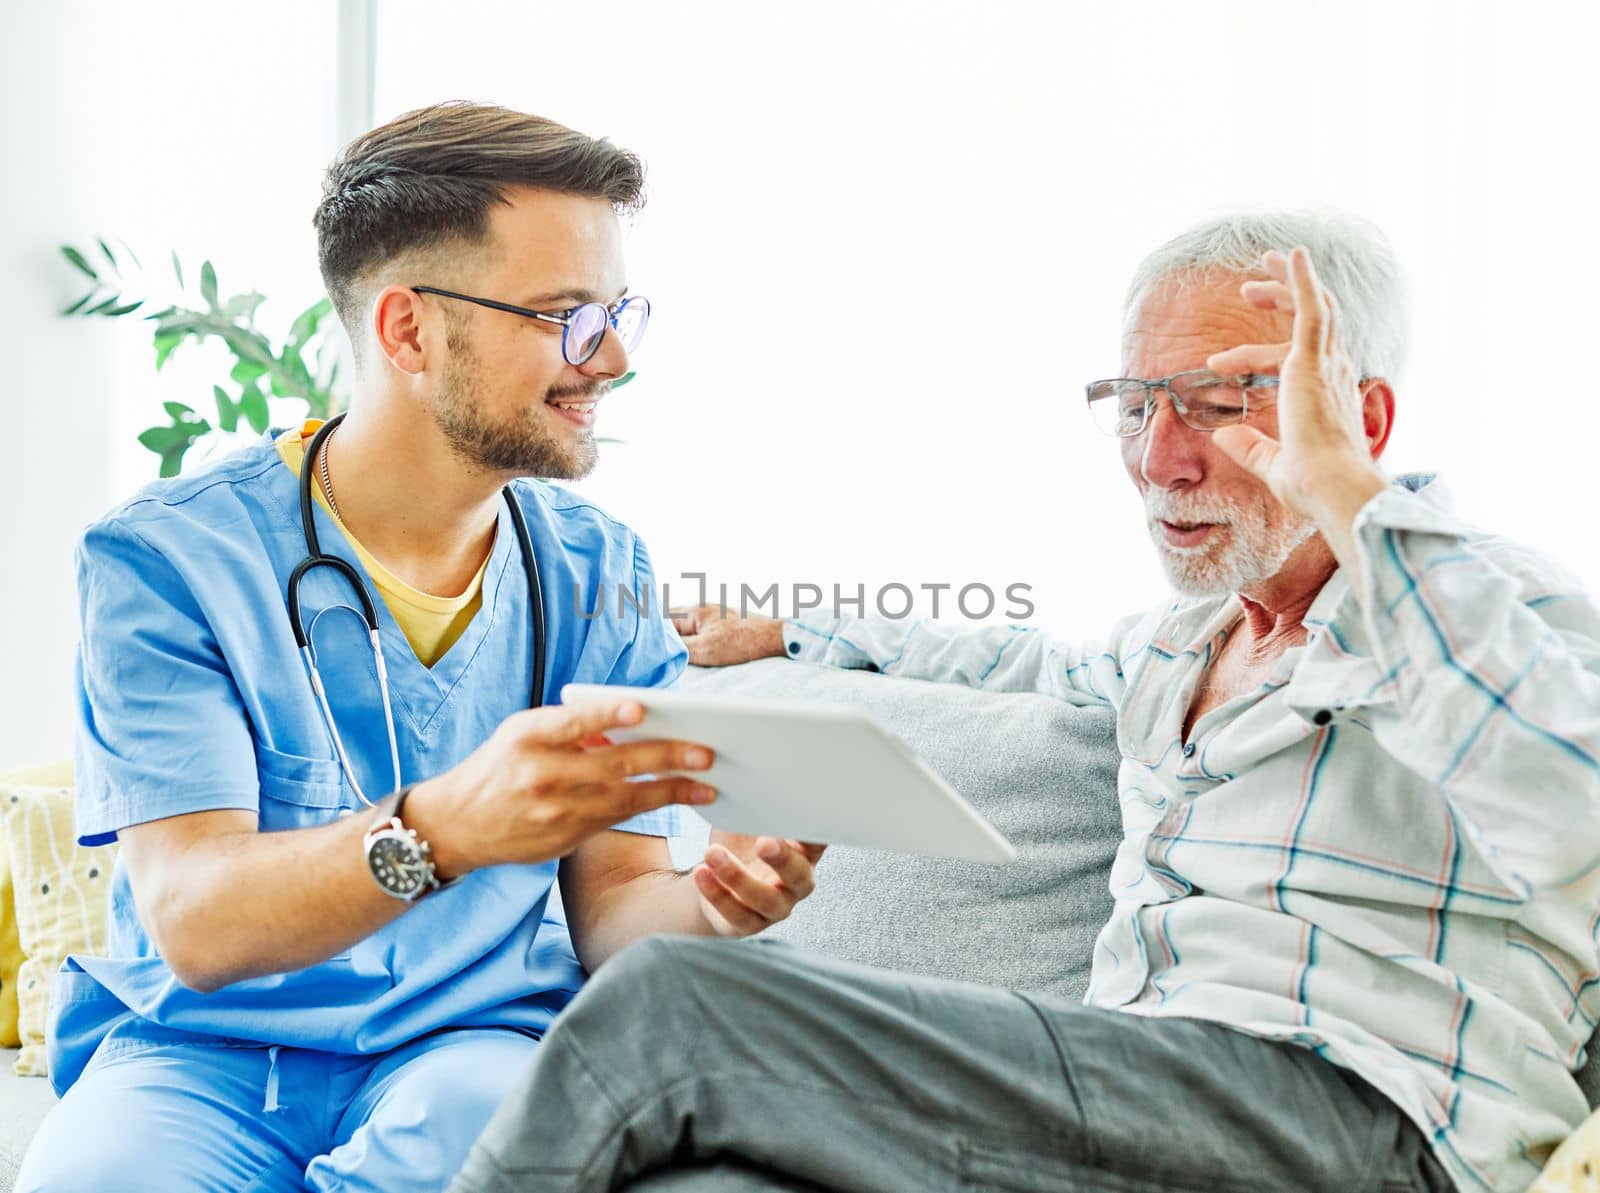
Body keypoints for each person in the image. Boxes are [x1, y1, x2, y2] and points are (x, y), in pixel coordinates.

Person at [448, 213, 1600, 1193]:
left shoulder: (1497, 607)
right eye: (1138, 404)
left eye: (1219, 402)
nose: (1162, 458)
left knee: (670, 1007)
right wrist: (793, 630)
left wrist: (1347, 495)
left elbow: (1569, 803)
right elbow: (1015, 663)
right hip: (1141, 1100)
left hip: (1368, 1119)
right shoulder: (1175, 647)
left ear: (1363, 419)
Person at [17, 101, 823, 1193]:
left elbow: (617, 902)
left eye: (619, 310)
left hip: (465, 1043)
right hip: (197, 1054)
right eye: (567, 315)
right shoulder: (167, 560)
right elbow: (197, 920)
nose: (616, 356)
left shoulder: (598, 571)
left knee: (473, 1129)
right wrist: (443, 827)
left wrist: (710, 904)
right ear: (408, 330)